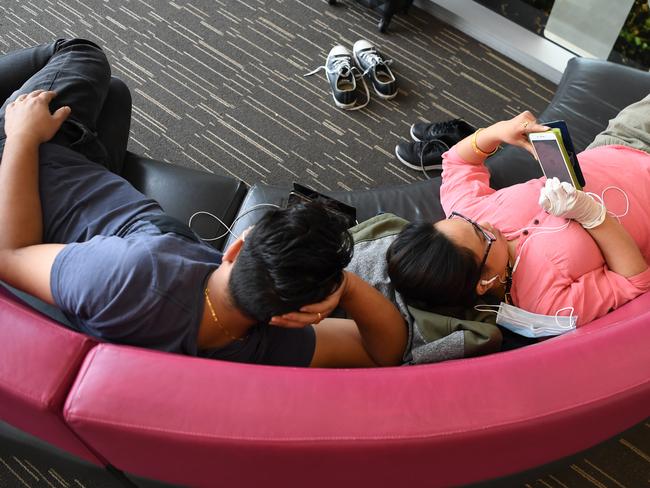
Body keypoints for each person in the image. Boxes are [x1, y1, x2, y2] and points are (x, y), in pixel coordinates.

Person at [0, 38, 407, 368]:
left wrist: (21, 136)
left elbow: (11, 254)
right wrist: (346, 285)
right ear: (299, 313)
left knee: (79, 52)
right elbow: (383, 351)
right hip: (89, 196)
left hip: (29, 174)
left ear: (236, 246)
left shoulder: (137, 274)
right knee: (114, 95)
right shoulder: (255, 347)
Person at [386, 107, 650, 326]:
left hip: (620, 141)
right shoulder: (547, 303)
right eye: (482, 235)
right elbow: (634, 282)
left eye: (465, 222)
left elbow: (457, 162)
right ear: (483, 282)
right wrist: (592, 217)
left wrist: (498, 132)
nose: (485, 223)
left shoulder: (467, 214)